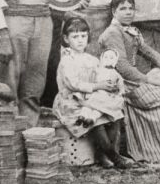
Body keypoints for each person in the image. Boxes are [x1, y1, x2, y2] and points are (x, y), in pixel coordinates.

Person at [98, 0, 160, 162]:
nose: (128, 12)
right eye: (123, 9)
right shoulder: (113, 32)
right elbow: (123, 67)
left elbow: (147, 51)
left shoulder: (131, 30)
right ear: (113, 12)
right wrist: (150, 80)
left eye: (131, 8)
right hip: (120, 84)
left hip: (132, 80)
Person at [52, 17, 129, 169]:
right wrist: (98, 85)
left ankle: (104, 153)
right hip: (71, 100)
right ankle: (113, 155)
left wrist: (111, 84)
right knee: (96, 121)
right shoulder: (67, 60)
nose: (80, 40)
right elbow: (73, 84)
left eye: (83, 36)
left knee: (114, 113)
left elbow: (102, 76)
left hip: (91, 98)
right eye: (75, 37)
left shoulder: (92, 59)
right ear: (66, 39)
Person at [75, 49, 124, 128]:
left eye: (111, 58)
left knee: (99, 108)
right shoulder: (97, 70)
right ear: (102, 58)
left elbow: (120, 84)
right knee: (88, 106)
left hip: (106, 95)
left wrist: (121, 92)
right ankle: (82, 116)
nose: (108, 59)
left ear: (115, 60)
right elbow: (92, 81)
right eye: (106, 57)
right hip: (96, 93)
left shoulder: (116, 74)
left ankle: (91, 118)